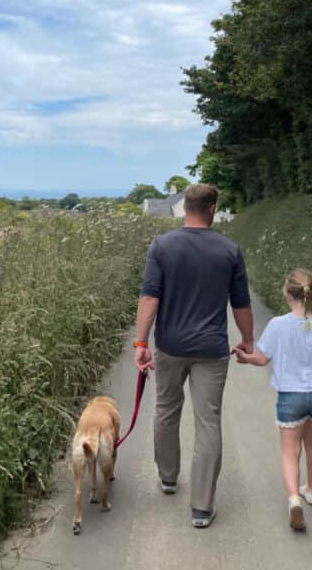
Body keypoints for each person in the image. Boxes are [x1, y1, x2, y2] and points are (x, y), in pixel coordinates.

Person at [134, 183, 254, 528]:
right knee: (208, 421)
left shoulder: (162, 246)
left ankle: (169, 477)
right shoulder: (229, 250)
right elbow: (240, 303)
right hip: (212, 350)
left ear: (185, 207)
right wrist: (247, 340)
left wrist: (141, 344)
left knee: (166, 410)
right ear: (212, 208)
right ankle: (202, 507)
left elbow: (149, 298)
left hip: (170, 346)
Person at [232, 268, 312, 532]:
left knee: (290, 452)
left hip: (290, 397)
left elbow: (262, 358)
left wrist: (244, 358)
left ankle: (294, 500)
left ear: (288, 294)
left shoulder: (278, 325)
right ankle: (311, 490)